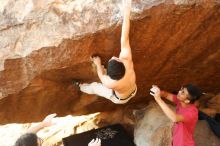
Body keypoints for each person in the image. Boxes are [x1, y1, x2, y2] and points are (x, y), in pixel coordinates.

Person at [73, 0, 136, 104]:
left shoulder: (110, 84)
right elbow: (125, 38)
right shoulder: (127, 62)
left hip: (119, 99)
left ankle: (80, 86)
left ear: (110, 77)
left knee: (94, 87)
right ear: (122, 63)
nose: (113, 57)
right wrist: (127, 12)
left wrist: (98, 64)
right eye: (115, 59)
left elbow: (101, 75)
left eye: (113, 59)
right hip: (132, 91)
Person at [15, 113, 102, 146]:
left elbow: (27, 135)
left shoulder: (21, 144)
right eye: (39, 143)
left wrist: (43, 124)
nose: (41, 140)